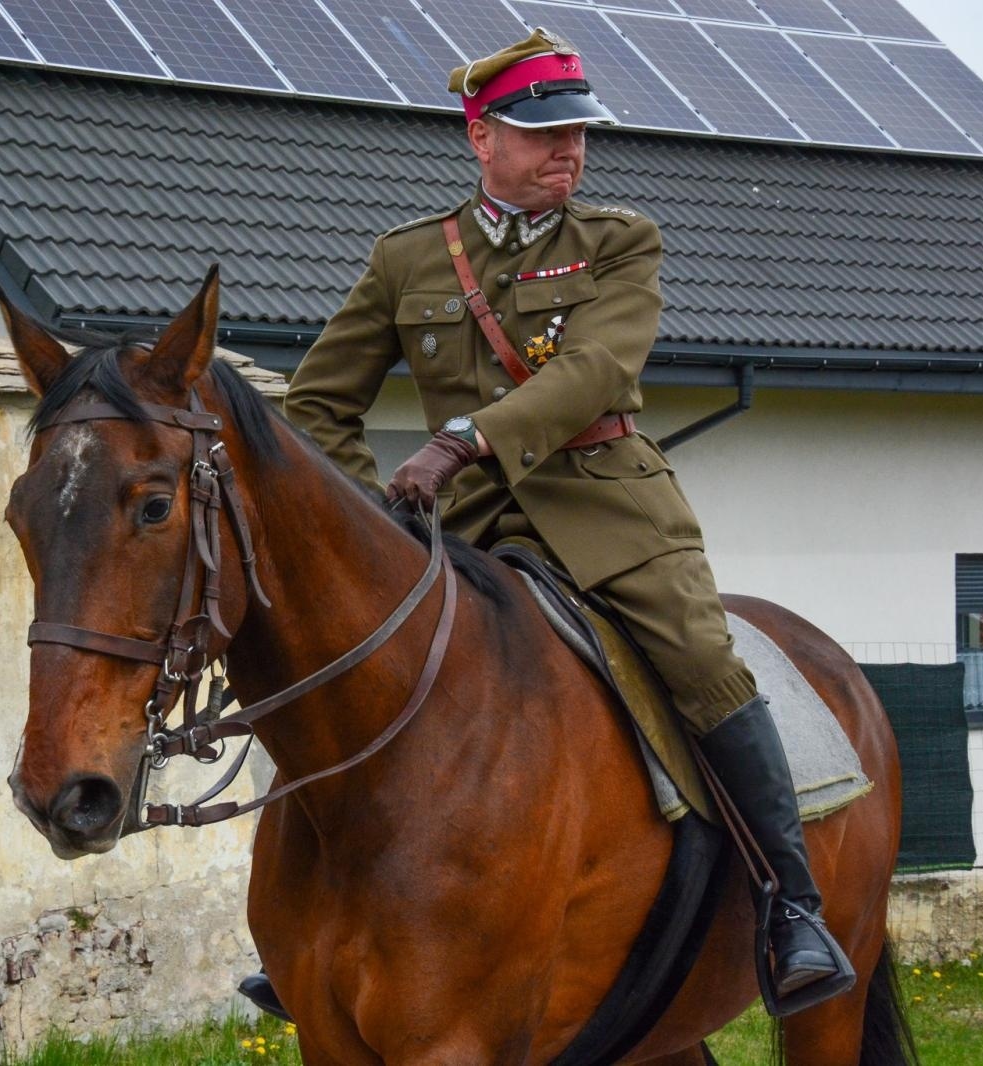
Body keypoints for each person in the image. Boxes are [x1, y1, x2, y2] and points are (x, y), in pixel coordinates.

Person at [247, 28, 853, 1020]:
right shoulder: (407, 260)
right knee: (348, 675)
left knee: (700, 659)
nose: (566, 151)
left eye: (575, 134)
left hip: (611, 512)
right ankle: (308, 920)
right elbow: (317, 408)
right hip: (467, 535)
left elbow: (595, 373)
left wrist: (460, 439)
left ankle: (793, 907)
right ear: (480, 137)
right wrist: (372, 525)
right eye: (540, 134)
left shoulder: (618, 241)